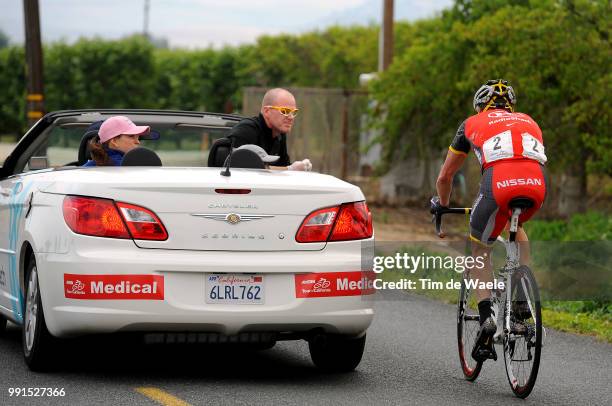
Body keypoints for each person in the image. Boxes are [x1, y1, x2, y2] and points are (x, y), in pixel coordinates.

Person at [431, 79, 547, 361]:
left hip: (499, 183)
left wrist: (442, 205)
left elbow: (445, 177)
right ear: (511, 106)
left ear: (480, 105)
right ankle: (521, 298)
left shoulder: (471, 123)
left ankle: (487, 319)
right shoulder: (529, 120)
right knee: (515, 225)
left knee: (479, 250)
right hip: (536, 185)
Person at [228, 88, 312, 171]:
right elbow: (238, 167)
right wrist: (291, 169)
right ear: (267, 111)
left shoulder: (279, 133)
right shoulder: (246, 129)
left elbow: (282, 168)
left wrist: (300, 167)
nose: (291, 117)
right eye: (285, 111)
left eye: (293, 112)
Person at [83, 116, 154, 167]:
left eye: (138, 137)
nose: (138, 142)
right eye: (131, 136)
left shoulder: (88, 167)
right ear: (114, 141)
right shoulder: (129, 167)